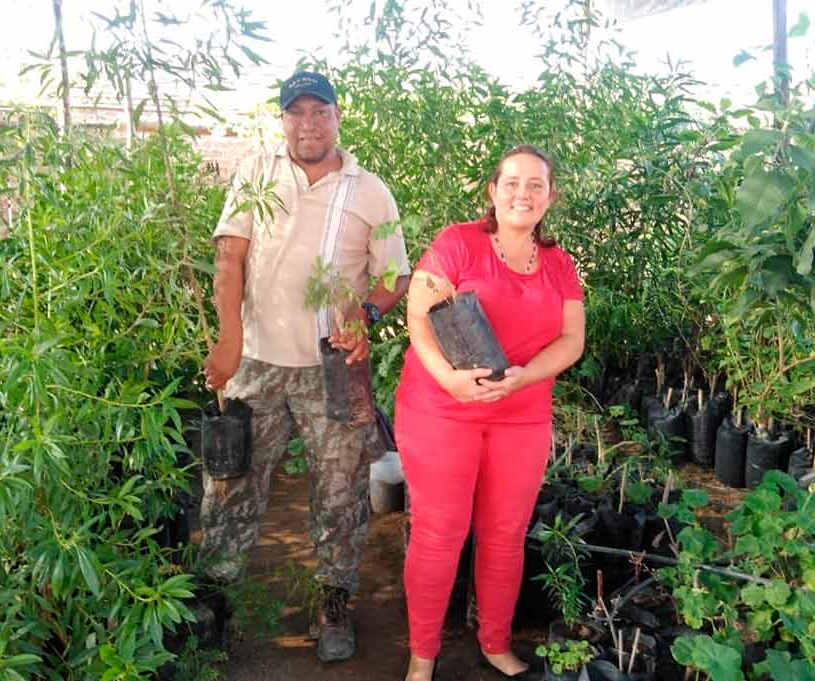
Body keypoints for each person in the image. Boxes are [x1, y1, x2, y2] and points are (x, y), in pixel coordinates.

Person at [201, 70, 411, 663]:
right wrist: (229, 337)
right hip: (260, 361)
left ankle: (334, 599)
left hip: (335, 366)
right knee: (231, 478)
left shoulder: (370, 190)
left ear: (338, 117)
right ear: (283, 119)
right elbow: (230, 254)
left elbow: (394, 275)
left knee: (340, 490)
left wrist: (366, 314)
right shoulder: (257, 172)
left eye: (321, 112)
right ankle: (214, 596)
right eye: (298, 113)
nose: (309, 124)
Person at [395, 145, 585, 680]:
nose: (522, 194)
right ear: (492, 191)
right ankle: (422, 655)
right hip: (442, 408)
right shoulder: (459, 244)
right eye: (512, 183)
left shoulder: (559, 264)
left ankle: (495, 643)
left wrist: (525, 376)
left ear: (551, 197)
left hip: (520, 413)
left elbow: (572, 341)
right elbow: (420, 315)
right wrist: (450, 380)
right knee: (440, 532)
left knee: (505, 533)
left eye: (535, 185)